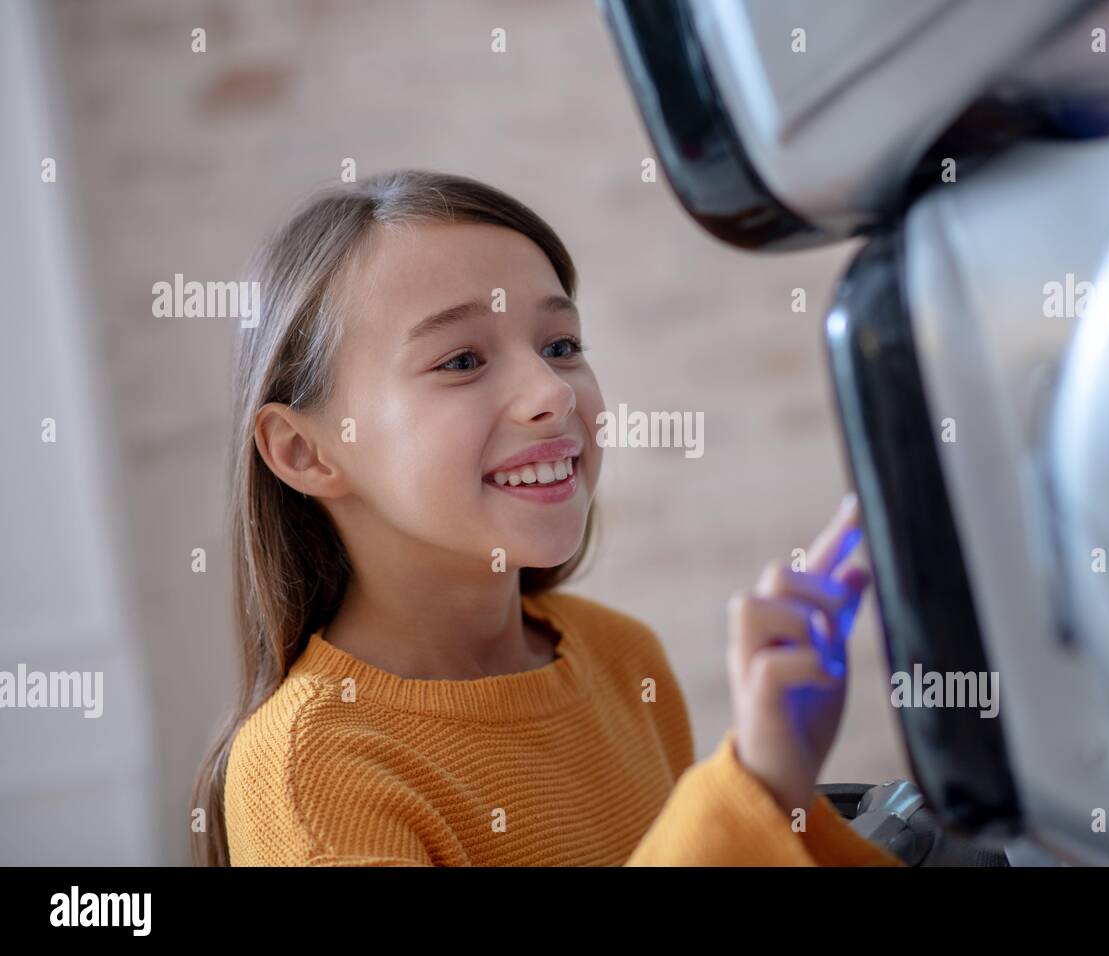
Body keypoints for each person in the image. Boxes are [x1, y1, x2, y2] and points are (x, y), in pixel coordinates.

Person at [191, 169, 896, 867]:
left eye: (561, 346)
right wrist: (754, 787)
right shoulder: (308, 774)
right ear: (304, 451)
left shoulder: (622, 658)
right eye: (462, 360)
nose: (552, 393)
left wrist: (781, 798)